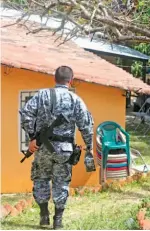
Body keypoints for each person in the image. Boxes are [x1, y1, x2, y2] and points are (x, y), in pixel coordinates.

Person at [20, 66, 94, 229]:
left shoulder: (41, 95)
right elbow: (86, 126)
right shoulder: (76, 100)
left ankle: (44, 215)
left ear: (54, 79)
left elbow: (26, 115)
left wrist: (32, 137)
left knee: (41, 179)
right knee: (61, 182)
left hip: (42, 148)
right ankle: (58, 220)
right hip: (65, 150)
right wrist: (89, 148)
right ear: (71, 80)